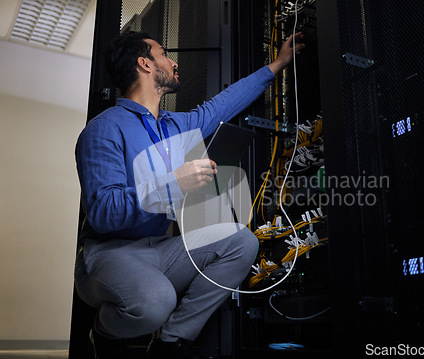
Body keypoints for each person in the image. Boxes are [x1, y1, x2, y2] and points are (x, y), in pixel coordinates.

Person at [74, 30, 304, 359]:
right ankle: (103, 332)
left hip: (158, 250)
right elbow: (104, 213)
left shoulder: (175, 125)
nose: (174, 61)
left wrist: (278, 65)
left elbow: (223, 105)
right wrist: (174, 183)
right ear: (145, 64)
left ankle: (171, 342)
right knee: (157, 301)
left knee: (241, 241)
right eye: (165, 54)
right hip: (107, 255)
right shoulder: (104, 128)